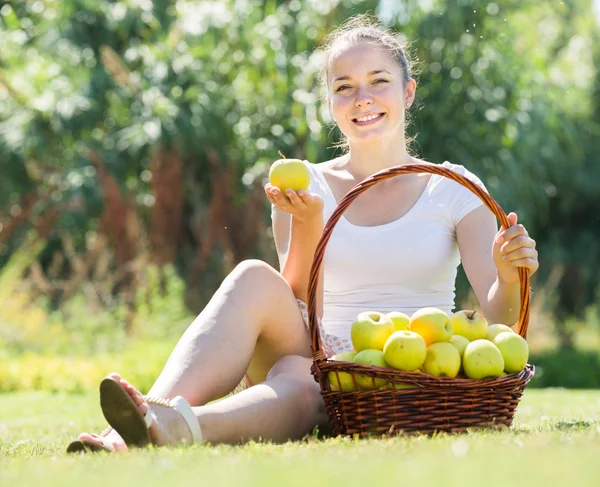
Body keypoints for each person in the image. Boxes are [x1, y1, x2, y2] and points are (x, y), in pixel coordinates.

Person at [67, 15, 539, 453]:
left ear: (408, 92)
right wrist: (309, 223)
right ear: (331, 102)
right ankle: (134, 425)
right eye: (344, 87)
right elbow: (290, 299)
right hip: (315, 351)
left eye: (379, 82)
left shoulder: (452, 188)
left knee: (299, 380)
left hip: (407, 369)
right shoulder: (303, 183)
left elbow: (494, 325)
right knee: (256, 281)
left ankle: (171, 427)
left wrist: (509, 274)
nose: (363, 99)